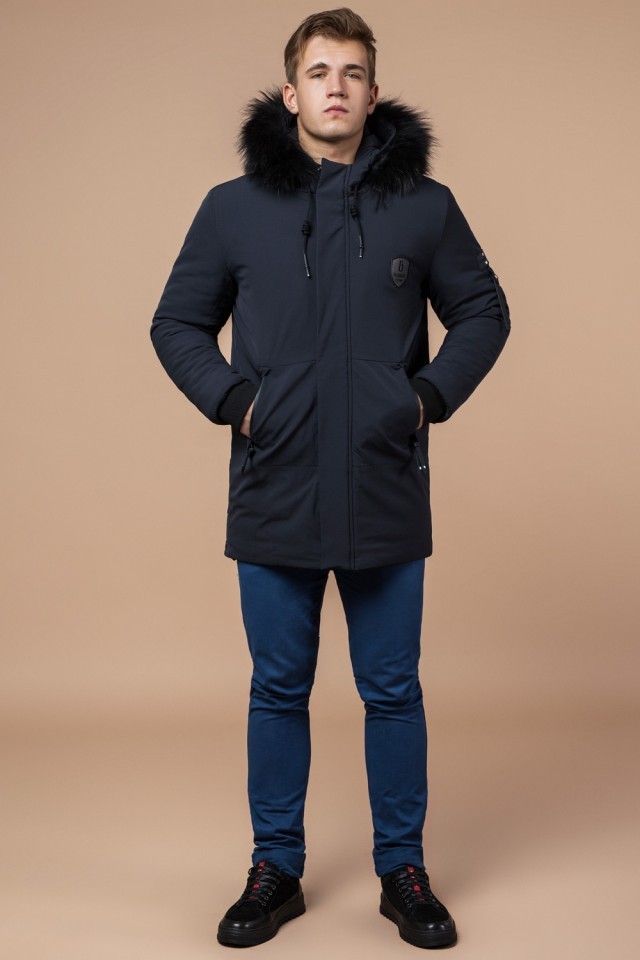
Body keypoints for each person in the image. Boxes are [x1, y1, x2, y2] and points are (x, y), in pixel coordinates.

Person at [150, 7, 510, 950]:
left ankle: (404, 872)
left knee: (392, 688)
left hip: (384, 481)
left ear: (373, 93)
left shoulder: (425, 206)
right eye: (319, 72)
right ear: (290, 92)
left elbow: (483, 311)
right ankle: (276, 869)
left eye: (351, 72)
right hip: (275, 481)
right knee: (278, 686)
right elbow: (176, 323)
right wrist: (239, 404)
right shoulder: (232, 209)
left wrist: (424, 399)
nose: (336, 87)